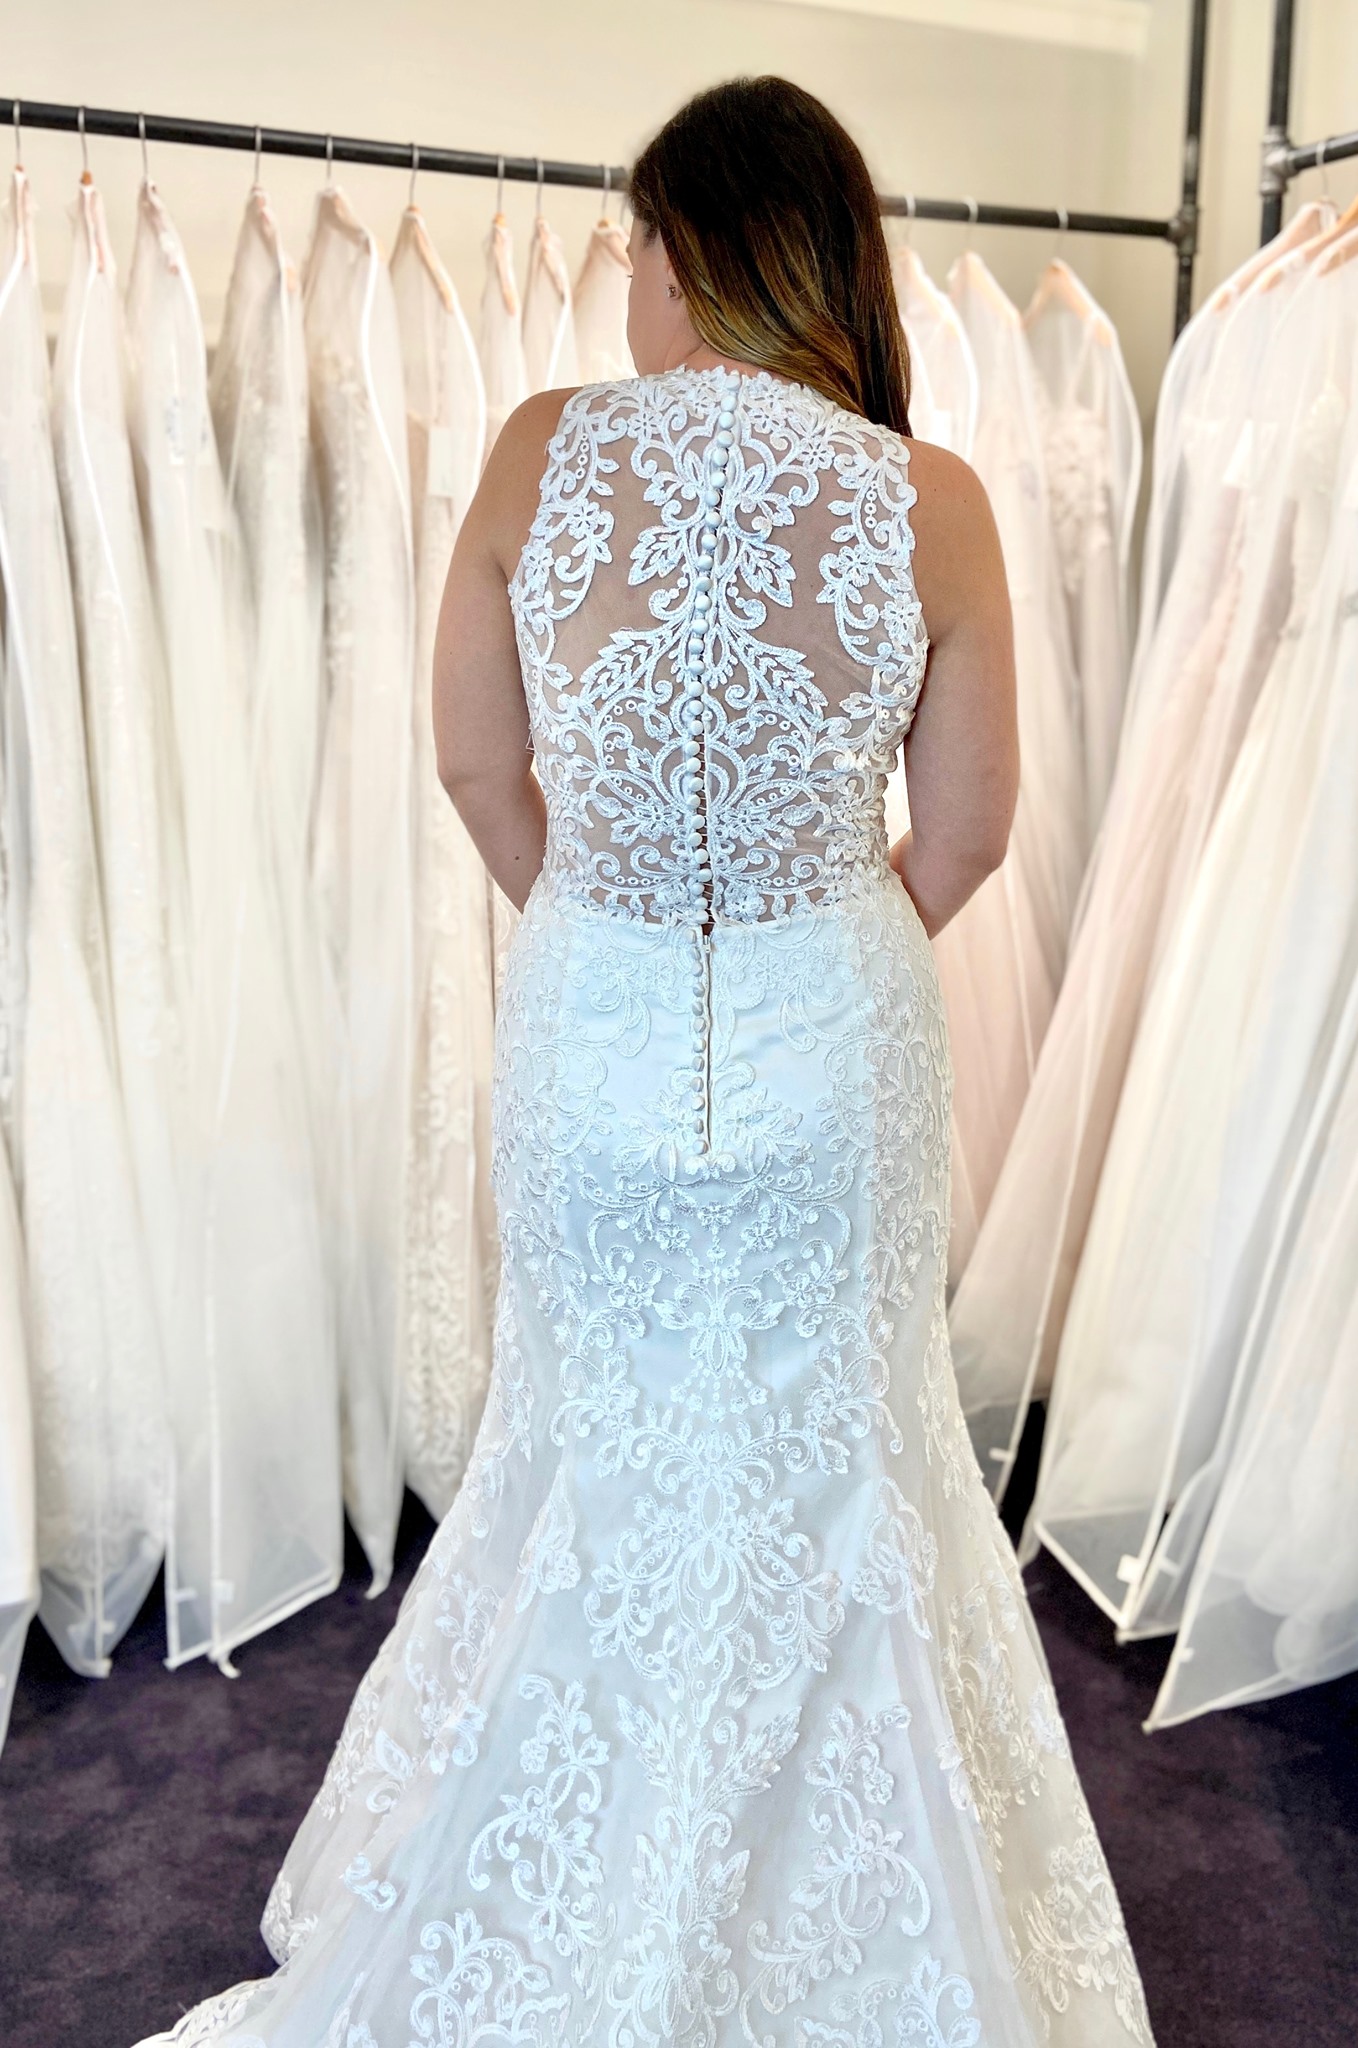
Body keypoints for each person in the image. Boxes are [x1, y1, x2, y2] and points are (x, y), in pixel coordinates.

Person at [135, 75, 1154, 2048]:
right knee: (840, 1465)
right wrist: (806, 946)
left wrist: (604, 926)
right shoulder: (927, 498)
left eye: (634, 246)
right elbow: (964, 834)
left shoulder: (542, 452)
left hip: (592, 1034)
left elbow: (472, 762)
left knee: (591, 1457)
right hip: (831, 1045)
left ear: (685, 253)